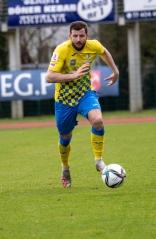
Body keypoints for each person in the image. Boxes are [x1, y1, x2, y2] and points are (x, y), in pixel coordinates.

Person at [46, 21, 119, 188]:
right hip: (64, 100)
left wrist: (115, 71)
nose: (78, 39)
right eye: (75, 36)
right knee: (65, 137)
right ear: (70, 36)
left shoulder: (93, 45)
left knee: (98, 120)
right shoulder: (62, 49)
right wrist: (74, 75)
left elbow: (103, 51)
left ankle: (98, 160)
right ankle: (65, 168)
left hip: (85, 94)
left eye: (81, 36)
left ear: (87, 36)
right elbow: (49, 77)